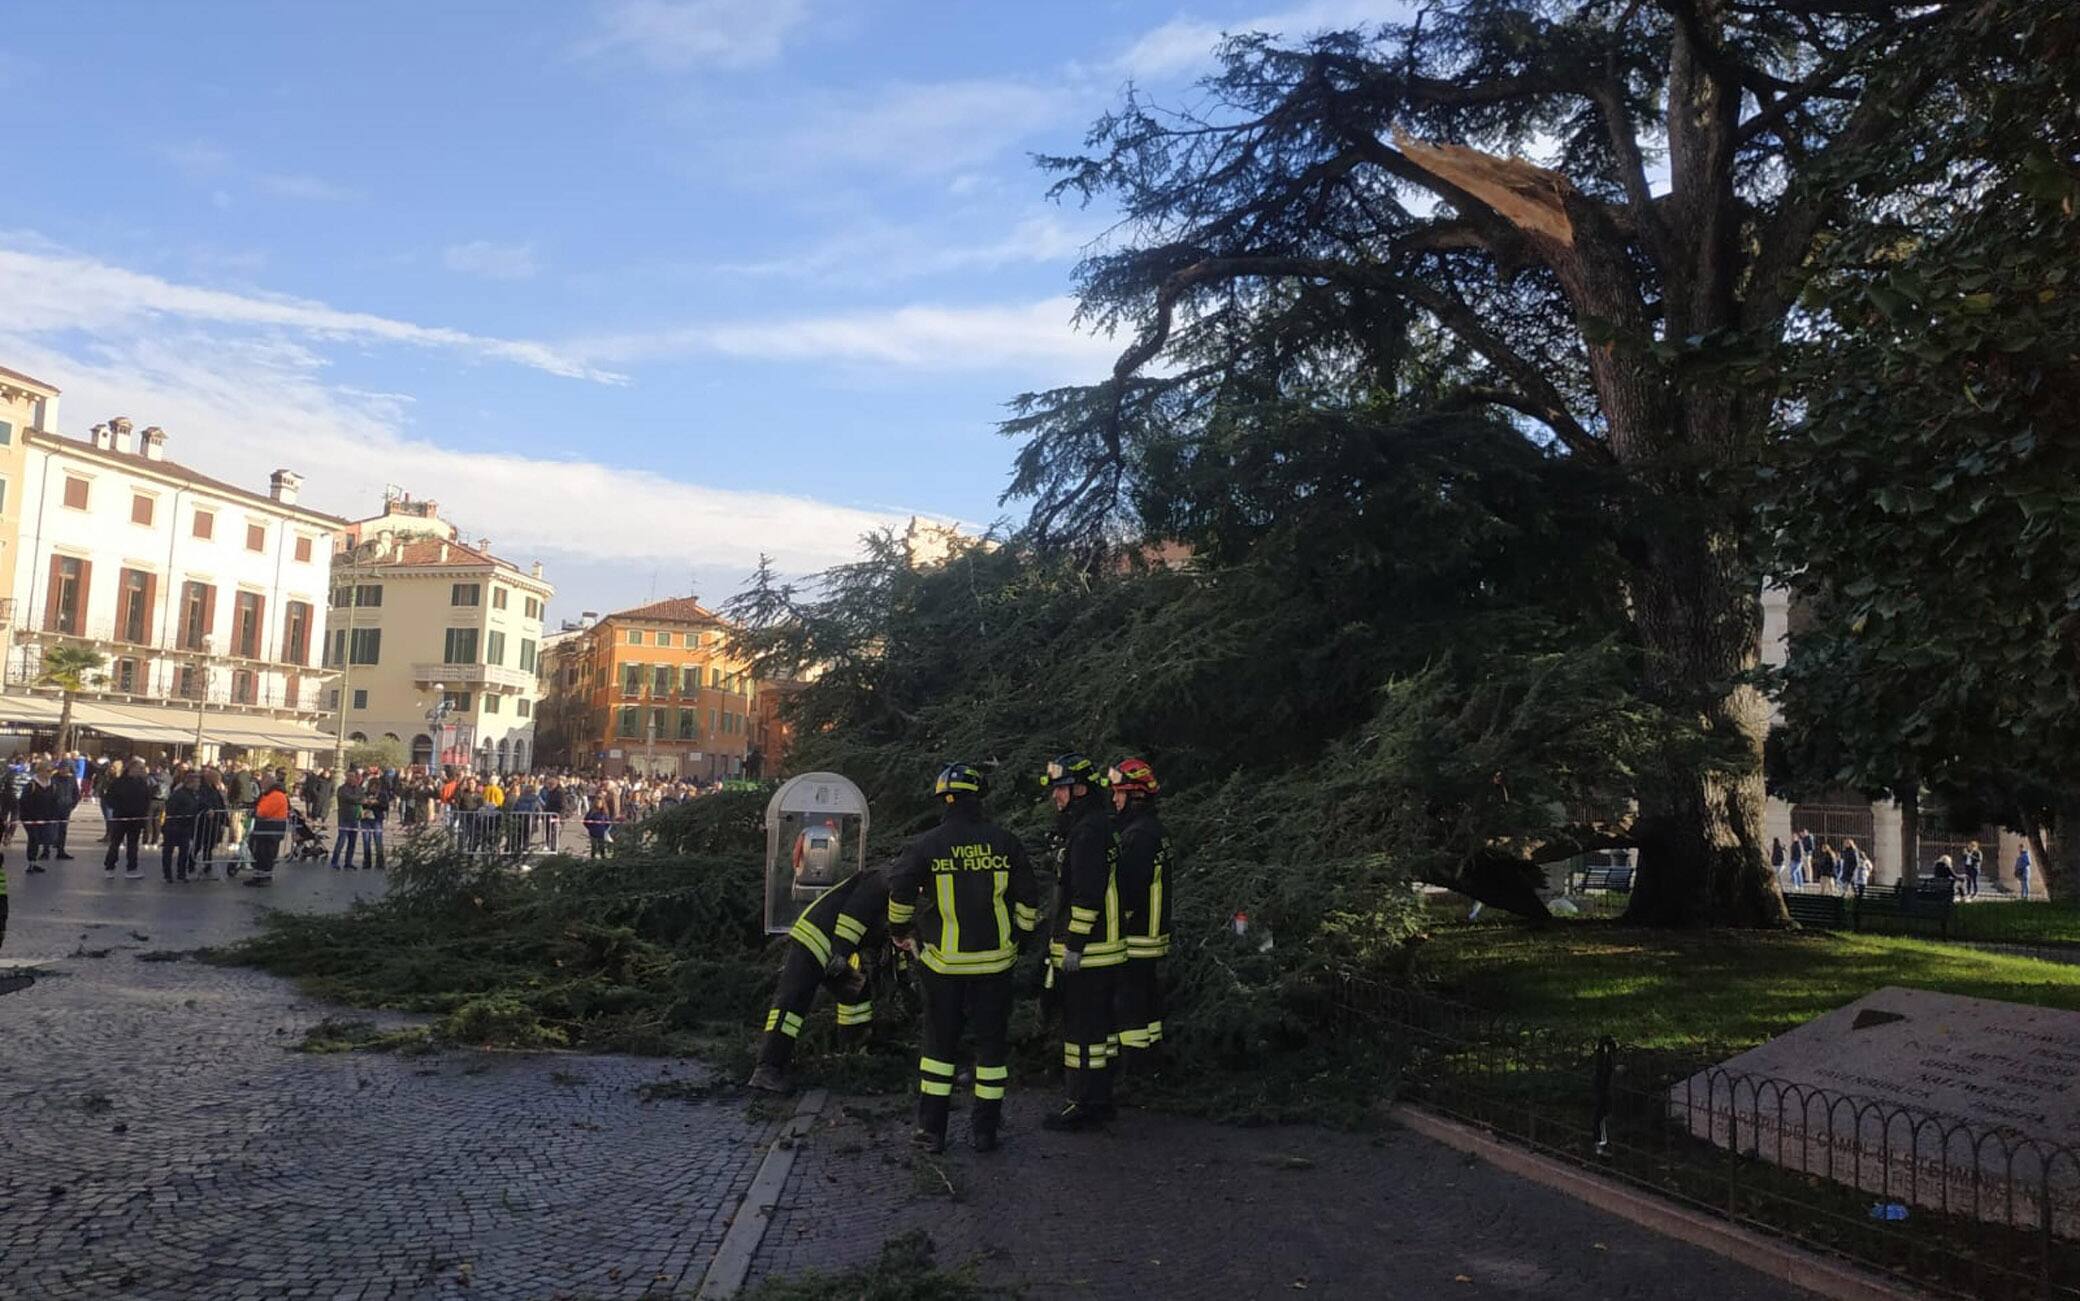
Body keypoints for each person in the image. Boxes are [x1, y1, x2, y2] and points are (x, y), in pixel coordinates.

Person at [885, 762, 1037, 1153]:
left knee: (938, 1047)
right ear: (979, 797)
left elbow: (900, 889)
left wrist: (900, 932)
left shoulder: (927, 845)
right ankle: (985, 1132)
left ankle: (931, 1131)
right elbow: (1029, 902)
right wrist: (1017, 937)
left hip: (943, 967)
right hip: (996, 965)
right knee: (991, 1050)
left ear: (944, 801)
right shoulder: (1005, 842)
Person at [748, 860, 892, 1093]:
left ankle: (853, 1056)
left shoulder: (897, 884)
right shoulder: (882, 879)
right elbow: (853, 914)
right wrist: (842, 953)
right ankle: (767, 1069)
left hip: (838, 948)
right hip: (815, 938)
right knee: (792, 1003)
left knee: (855, 994)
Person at [1042, 753, 1127, 1133]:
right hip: (1103, 949)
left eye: (1060, 790)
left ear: (1078, 789)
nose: (1056, 798)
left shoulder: (1088, 832)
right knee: (1101, 1032)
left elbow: (1087, 895)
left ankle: (1082, 1102)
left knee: (1082, 1033)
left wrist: (1074, 943)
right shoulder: (1097, 826)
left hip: (1090, 952)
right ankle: (1100, 1098)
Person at [1108, 757, 1173, 1075]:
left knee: (1130, 1004)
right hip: (1152, 934)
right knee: (1147, 1002)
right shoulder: (1153, 831)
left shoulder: (1137, 837)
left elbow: (1129, 890)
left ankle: (1133, 1069)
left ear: (1135, 796)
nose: (1114, 800)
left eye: (1119, 793)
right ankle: (1152, 1063)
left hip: (1135, 934)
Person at [102, 758, 152, 879]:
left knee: (133, 844)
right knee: (115, 843)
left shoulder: (142, 783)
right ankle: (109, 867)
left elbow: (147, 800)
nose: (142, 771)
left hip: (136, 818)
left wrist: (144, 815)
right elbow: (109, 798)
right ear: (131, 768)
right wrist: (119, 808)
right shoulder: (119, 782)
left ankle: (131, 868)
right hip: (121, 817)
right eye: (139, 768)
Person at [245, 776, 291, 886]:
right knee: (260, 853)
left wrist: (254, 812)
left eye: (263, 783)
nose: (262, 786)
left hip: (271, 829)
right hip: (267, 829)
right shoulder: (270, 794)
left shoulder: (276, 795)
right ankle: (258, 876)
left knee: (266, 854)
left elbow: (263, 811)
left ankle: (265, 877)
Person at [162, 770, 201, 883]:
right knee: (168, 850)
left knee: (184, 851)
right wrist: (181, 816)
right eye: (197, 783)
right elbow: (170, 808)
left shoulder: (193, 795)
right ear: (191, 782)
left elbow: (198, 805)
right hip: (174, 825)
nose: (198, 785)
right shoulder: (179, 794)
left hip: (186, 826)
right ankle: (167, 874)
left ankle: (181, 873)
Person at [19, 764, 58, 871]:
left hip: (45, 818)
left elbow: (54, 802)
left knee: (43, 838)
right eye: (48, 771)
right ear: (40, 772)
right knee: (34, 838)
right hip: (30, 819)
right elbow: (23, 802)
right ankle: (31, 863)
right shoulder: (31, 785)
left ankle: (34, 862)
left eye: (51, 771)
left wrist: (52, 815)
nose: (50, 773)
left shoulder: (52, 786)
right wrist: (29, 816)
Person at [331, 773, 363, 870]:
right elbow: (349, 798)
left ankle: (348, 862)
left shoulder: (358, 788)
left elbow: (361, 797)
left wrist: (358, 799)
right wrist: (358, 799)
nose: (353, 779)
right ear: (347, 779)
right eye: (351, 777)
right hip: (344, 818)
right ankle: (334, 861)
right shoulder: (342, 789)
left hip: (355, 818)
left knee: (352, 842)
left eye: (354, 777)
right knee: (341, 840)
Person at [48, 759, 79, 860]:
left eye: (66, 769)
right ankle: (45, 850)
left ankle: (61, 851)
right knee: (51, 829)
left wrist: (72, 805)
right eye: (62, 768)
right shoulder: (53, 778)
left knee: (63, 830)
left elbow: (76, 793)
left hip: (66, 808)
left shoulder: (72, 779)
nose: (64, 771)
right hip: (53, 807)